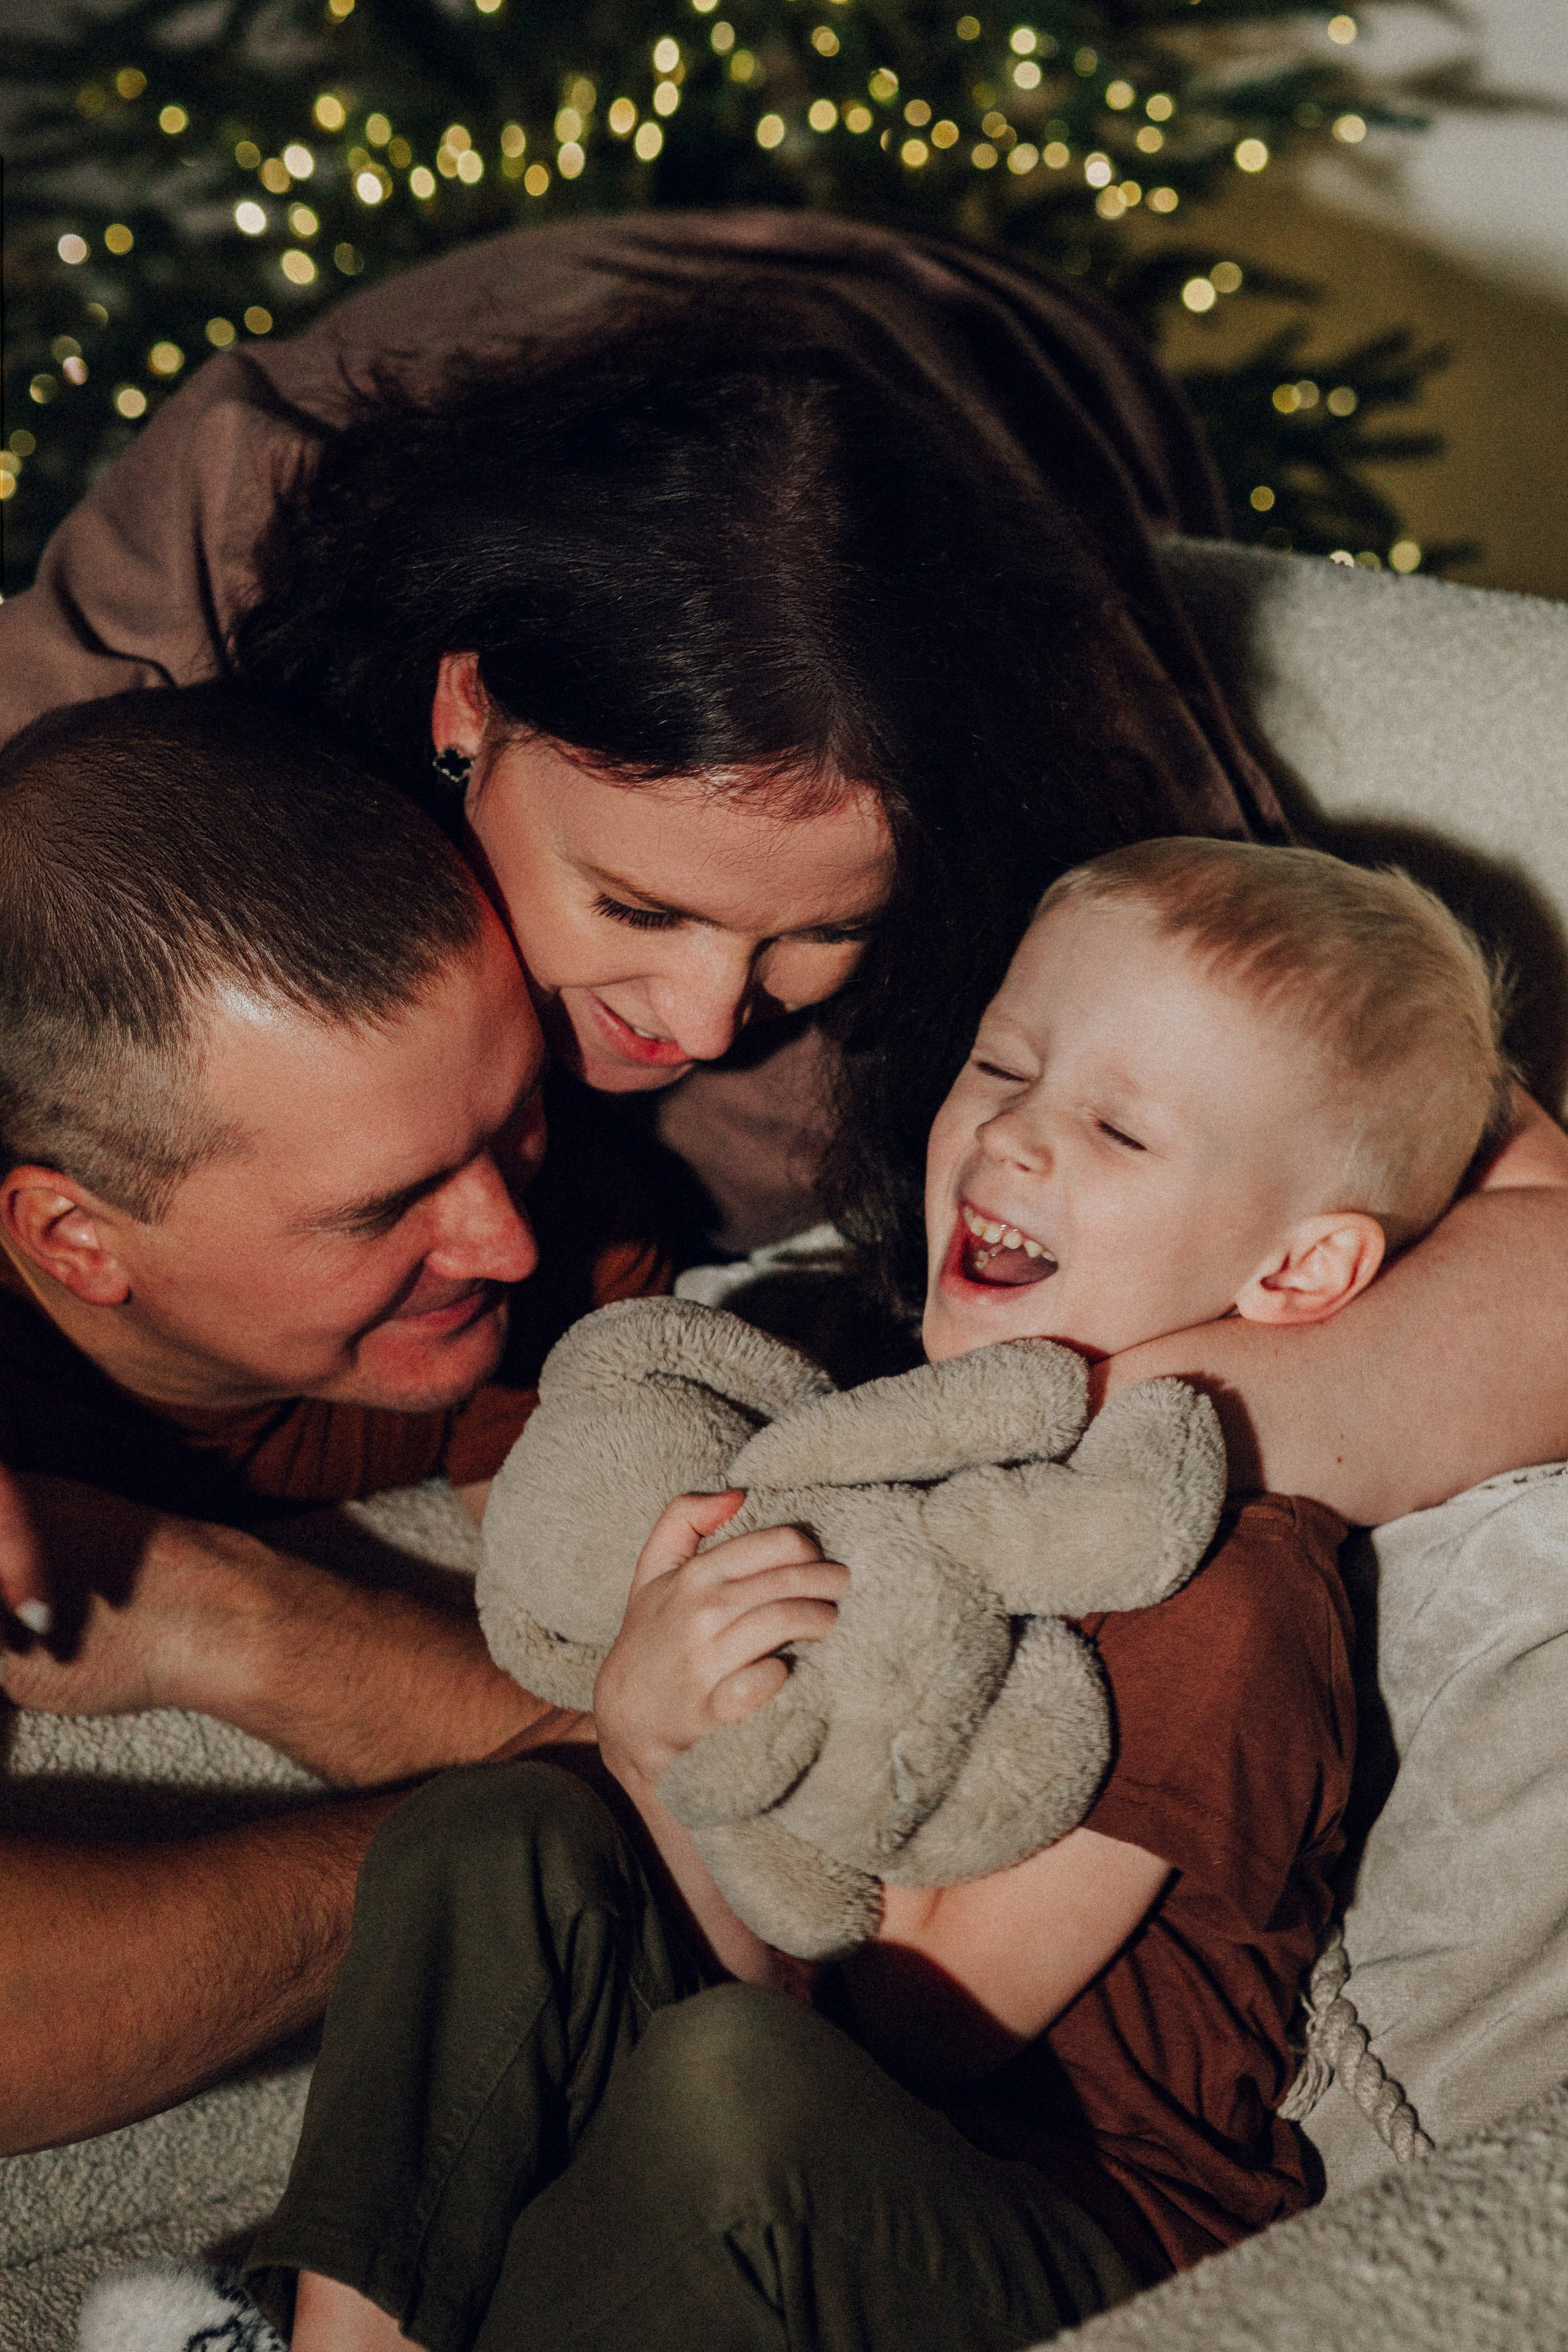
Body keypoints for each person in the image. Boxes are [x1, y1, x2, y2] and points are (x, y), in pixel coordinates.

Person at [0, 209, 1564, 1616]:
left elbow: (1540, 1256)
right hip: (578, 325)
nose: (699, 1021)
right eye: (635, 901)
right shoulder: (205, 581)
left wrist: (1029, 1460)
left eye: (824, 931)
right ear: (464, 707)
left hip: (980, 343)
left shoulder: (1097, 812)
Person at [243, 839, 1507, 2352]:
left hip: (1074, 2234)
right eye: (1001, 1067)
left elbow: (895, 2024)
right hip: (788, 2083)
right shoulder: (898, 1455)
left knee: (728, 2094)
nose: (1010, 1142)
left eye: (1114, 1127)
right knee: (491, 1832)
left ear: (1298, 1274)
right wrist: (647, 1750)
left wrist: (679, 1765)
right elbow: (757, 1957)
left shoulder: (1226, 1595)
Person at [0, 687, 667, 2156]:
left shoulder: (566, 1257)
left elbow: (686, 1763)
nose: (501, 1239)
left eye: (513, 1120)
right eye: (385, 1208)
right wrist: (483, 1851)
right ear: (75, 1239)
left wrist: (209, 1612)